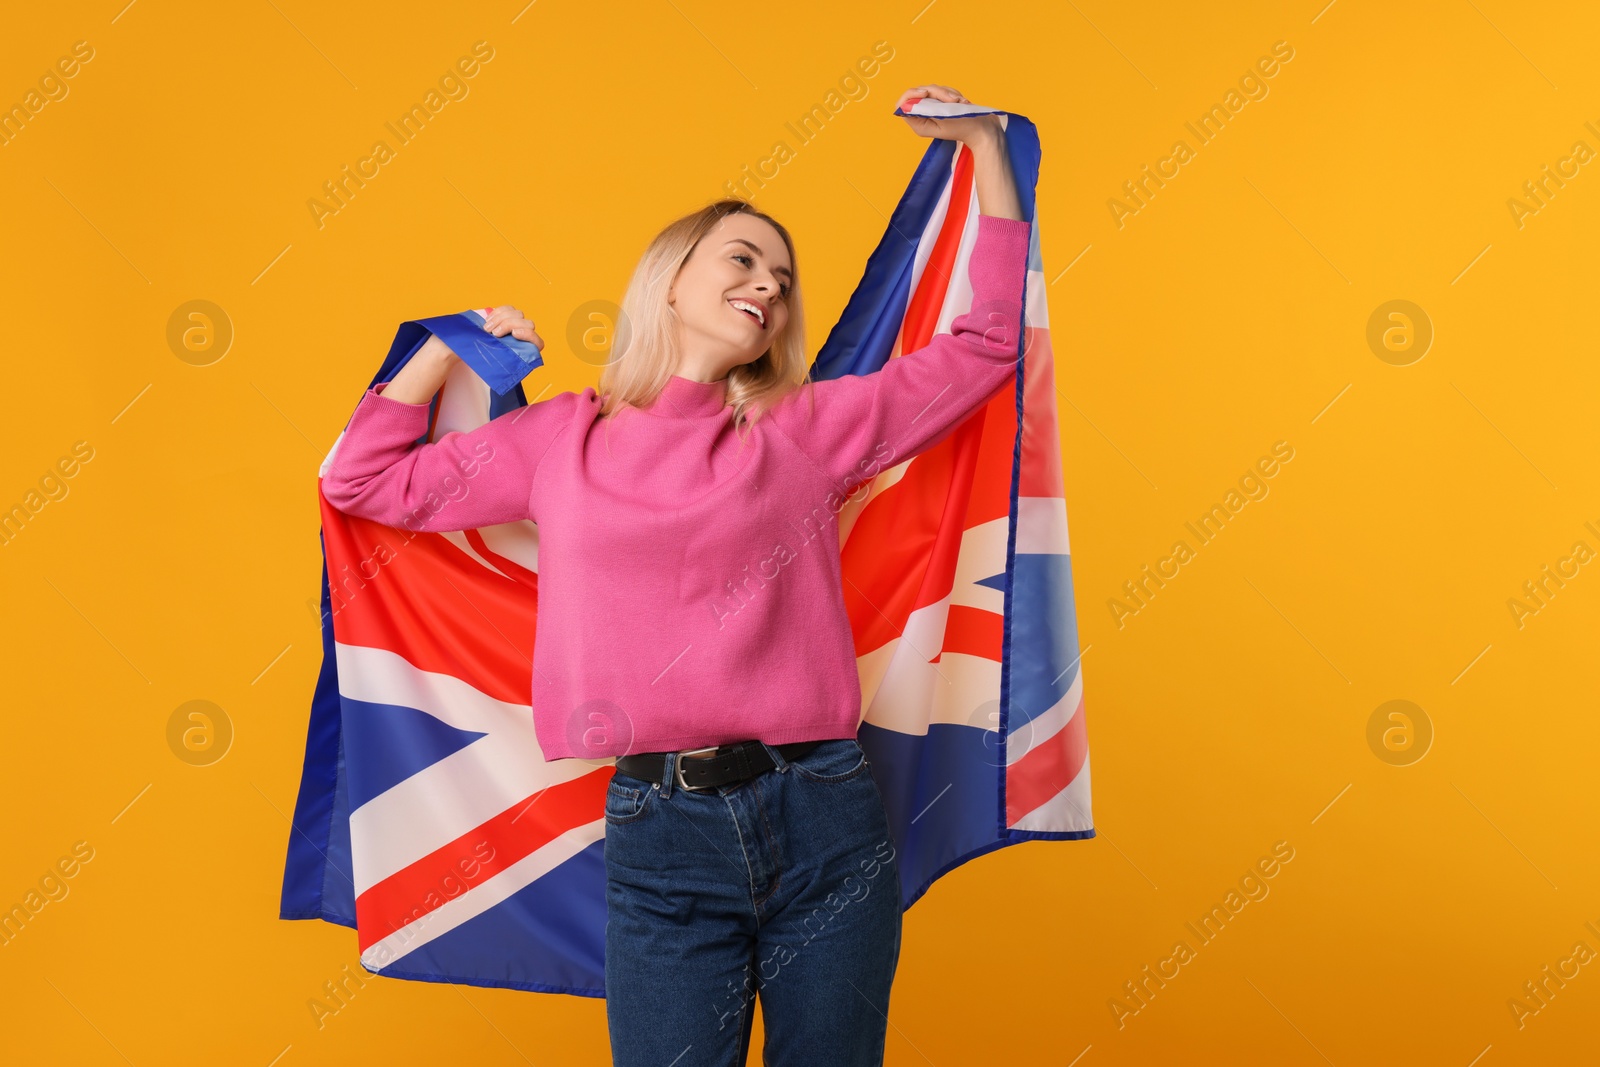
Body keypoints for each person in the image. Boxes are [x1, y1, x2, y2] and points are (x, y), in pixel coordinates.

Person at [319, 83, 1031, 1067]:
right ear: (668, 279)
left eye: (781, 276)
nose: (768, 286)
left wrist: (983, 148)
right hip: (658, 833)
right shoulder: (557, 438)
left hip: (825, 810)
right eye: (742, 259)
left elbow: (988, 345)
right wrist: (446, 345)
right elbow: (360, 480)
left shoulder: (805, 429)